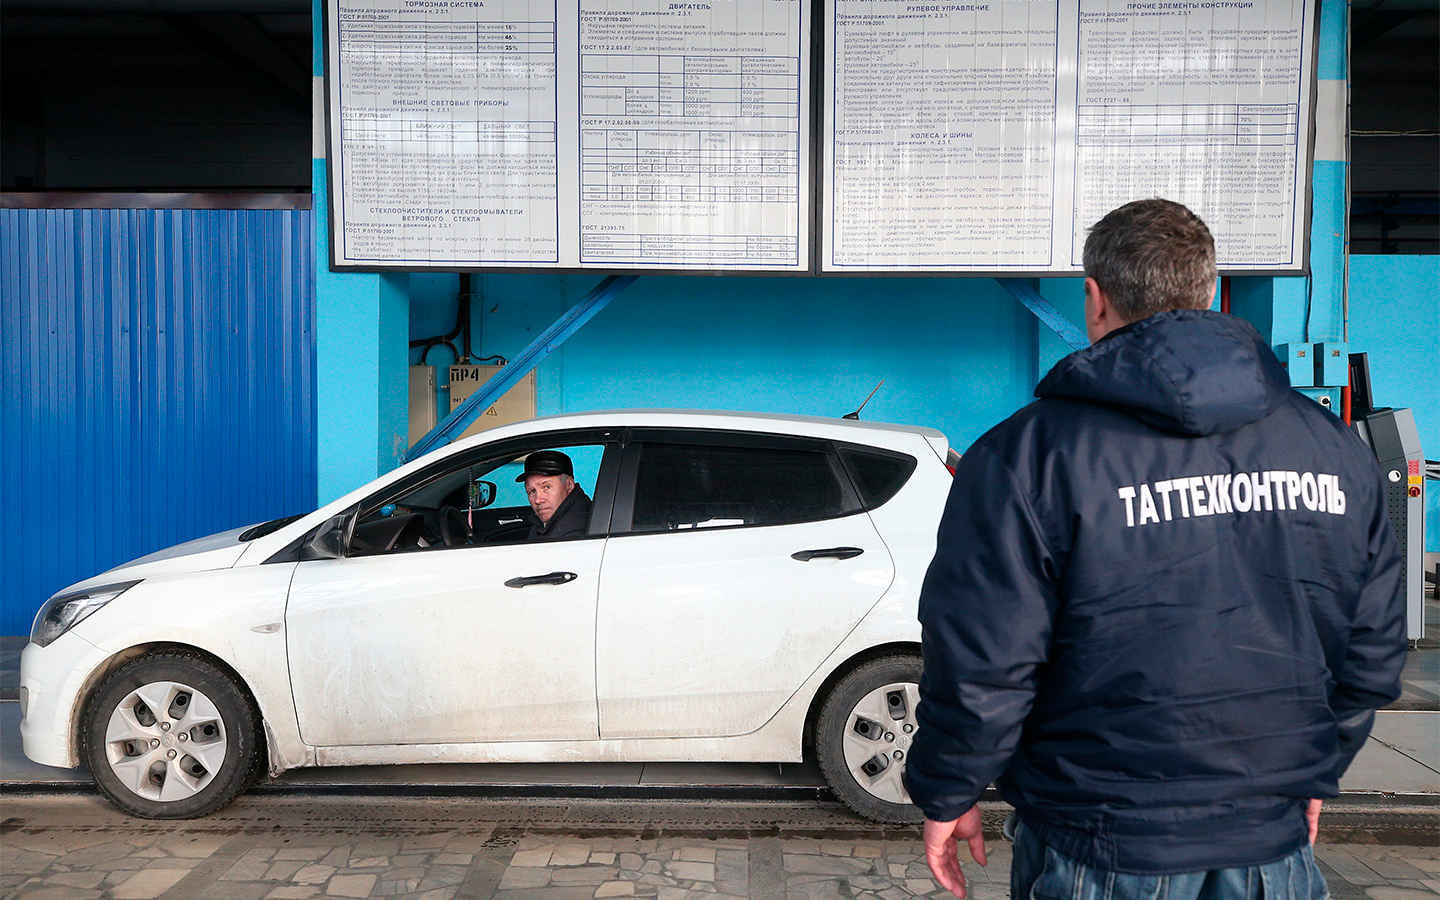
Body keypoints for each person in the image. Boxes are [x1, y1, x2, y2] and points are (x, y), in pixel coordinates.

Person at [904, 198, 1407, 899]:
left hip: (1097, 845)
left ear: (1094, 299)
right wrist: (1311, 771)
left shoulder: (1028, 456)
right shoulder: (1331, 450)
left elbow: (984, 663)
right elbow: (1373, 651)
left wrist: (948, 787)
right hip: (1270, 850)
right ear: (1209, 291)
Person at [518, 450, 592, 541]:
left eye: (547, 487)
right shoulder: (554, 518)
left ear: (569, 485)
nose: (538, 500)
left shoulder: (574, 534)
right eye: (532, 491)